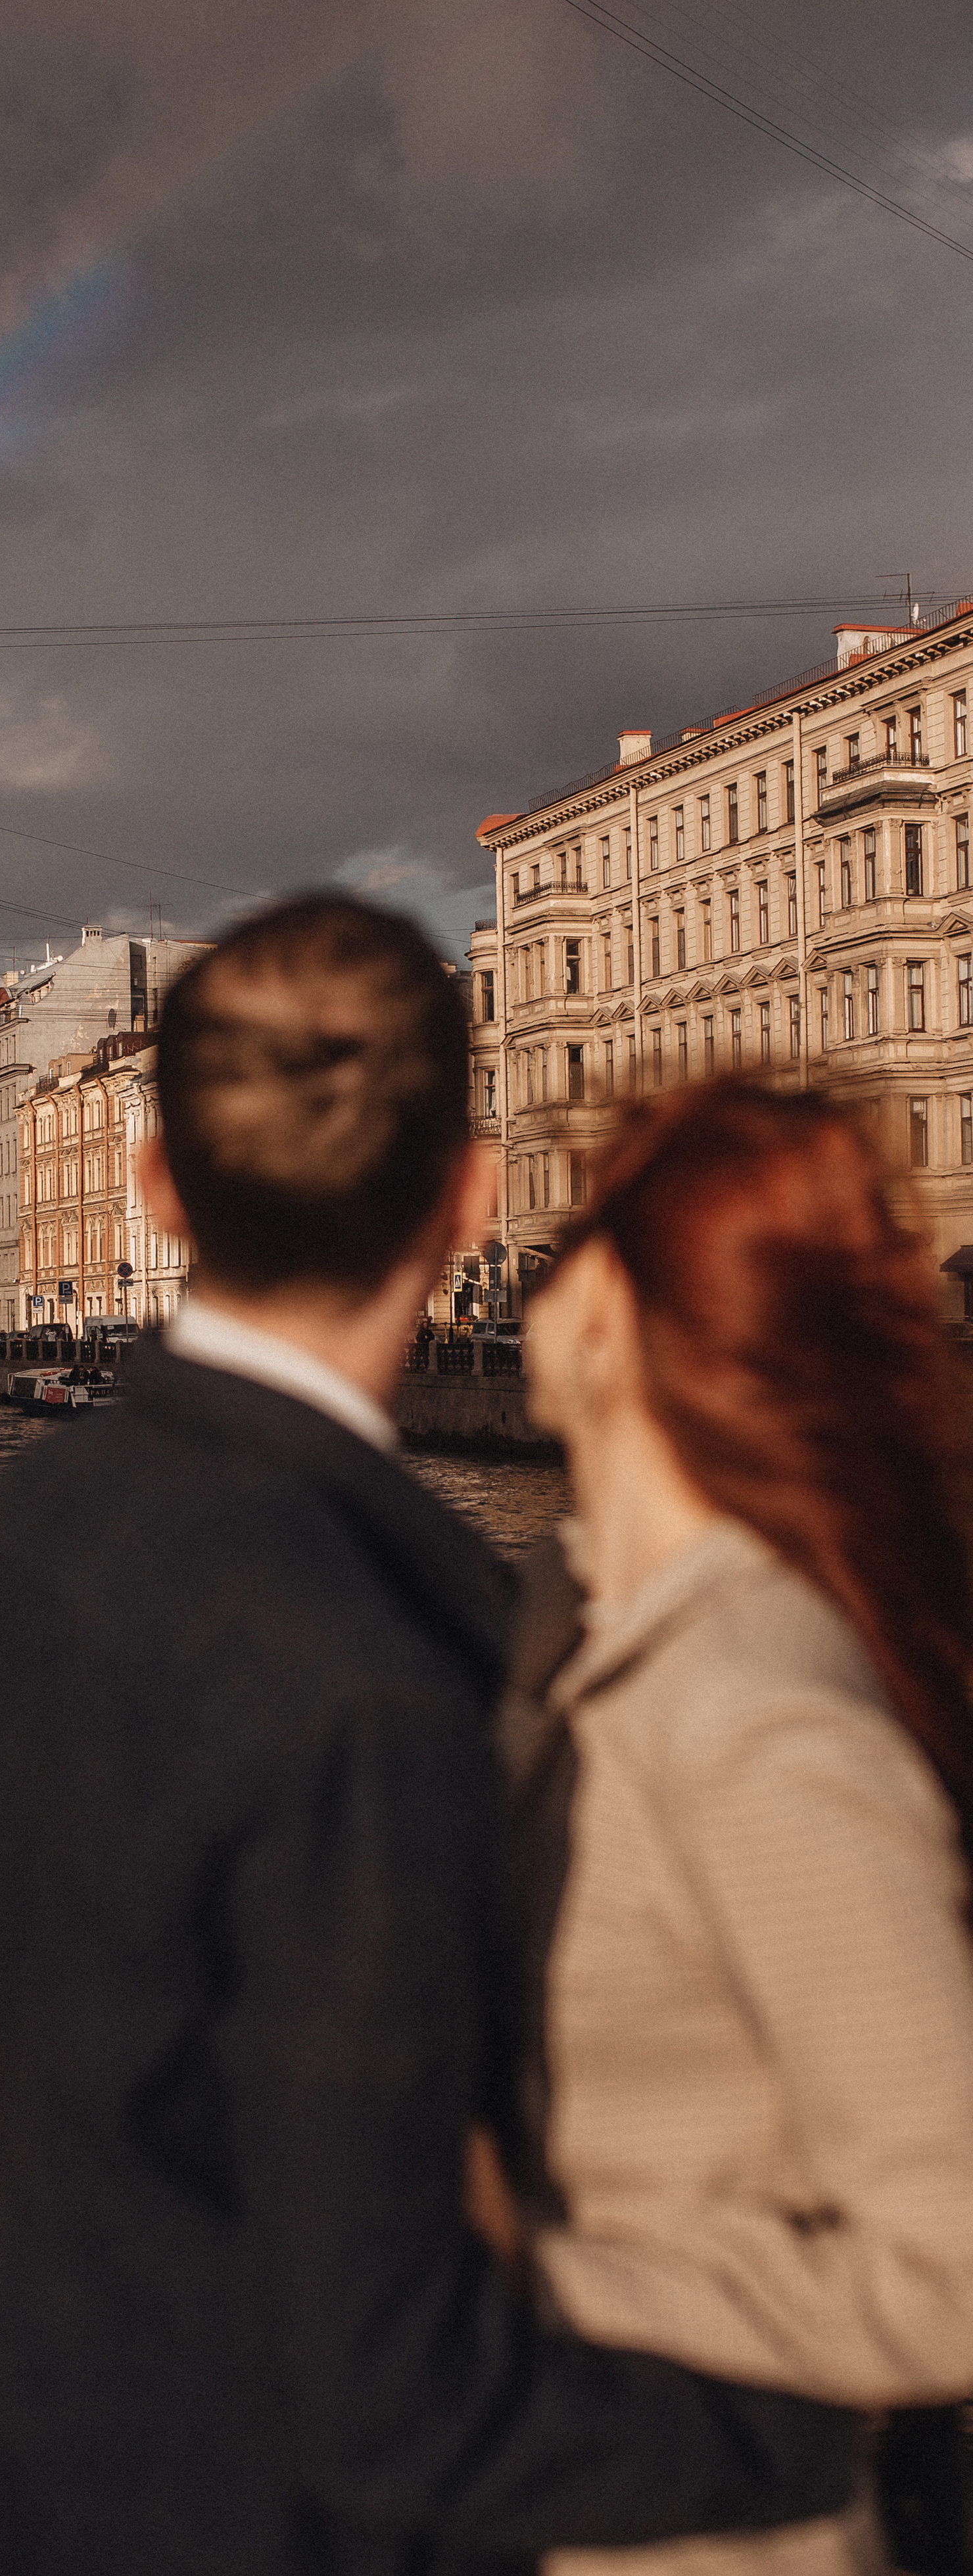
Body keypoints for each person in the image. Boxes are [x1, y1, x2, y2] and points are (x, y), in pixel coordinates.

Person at [0, 895, 856, 2576]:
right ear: (469, 1195)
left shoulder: (19, 1530)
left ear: (157, 1186)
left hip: (37, 2452)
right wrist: (769, 2447)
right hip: (259, 2516)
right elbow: (380, 2365)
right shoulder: (374, 1654)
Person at [498, 1080, 973, 2576]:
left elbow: (950, 2260)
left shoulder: (754, 1710)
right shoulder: (594, 1640)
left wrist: (534, 2273)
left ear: (614, 1317)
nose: (528, 1276)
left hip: (700, 2527)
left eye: (569, 1240)